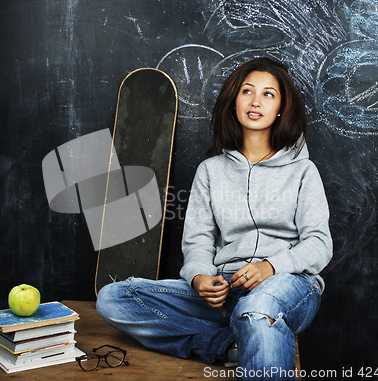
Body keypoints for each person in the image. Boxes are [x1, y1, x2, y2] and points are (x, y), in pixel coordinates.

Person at [96, 57, 332, 381]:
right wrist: (200, 279)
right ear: (234, 101)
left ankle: (249, 325)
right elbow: (197, 241)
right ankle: (227, 344)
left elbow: (319, 244)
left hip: (286, 284)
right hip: (226, 288)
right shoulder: (211, 171)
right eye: (247, 91)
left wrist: (271, 267)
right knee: (114, 298)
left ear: (281, 108)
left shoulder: (303, 171)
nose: (255, 101)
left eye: (268, 94)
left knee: (258, 309)